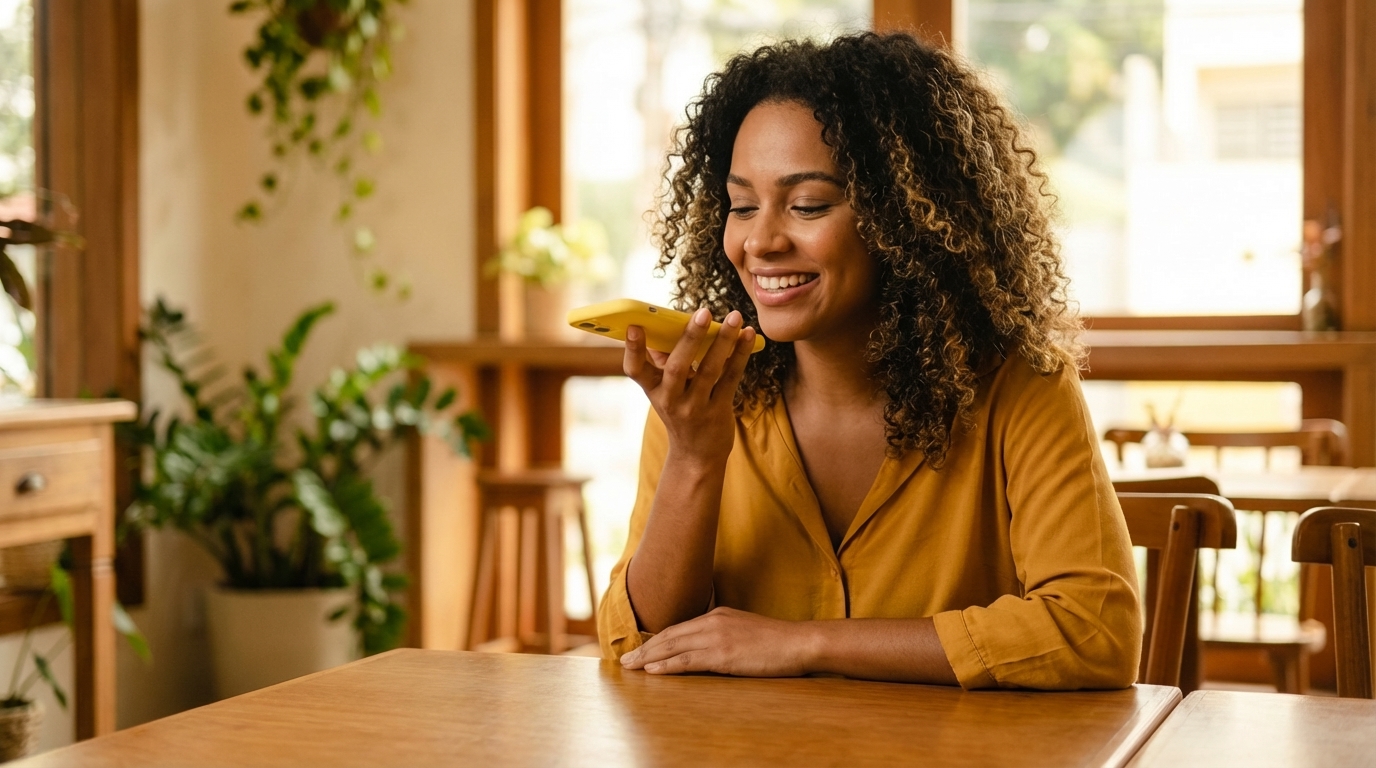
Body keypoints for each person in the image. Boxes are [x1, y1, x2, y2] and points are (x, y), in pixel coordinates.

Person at [599, 31, 1141, 690]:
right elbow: (637, 646)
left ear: (908, 219)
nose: (761, 241)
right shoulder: (706, 396)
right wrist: (693, 457)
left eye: (807, 206)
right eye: (742, 206)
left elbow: (1093, 631)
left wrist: (806, 644)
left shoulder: (1021, 386)